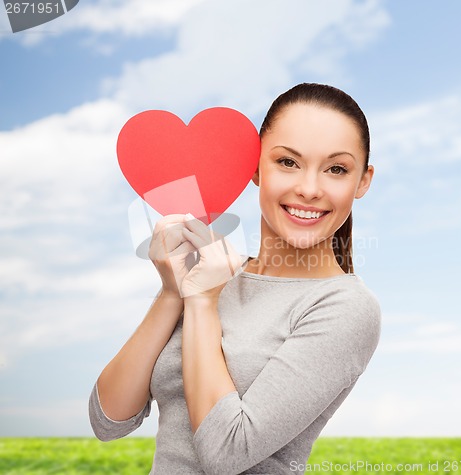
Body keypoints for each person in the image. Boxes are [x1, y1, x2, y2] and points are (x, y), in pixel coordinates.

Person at [89, 83, 381, 475]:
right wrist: (173, 292)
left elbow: (227, 453)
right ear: (255, 168)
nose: (309, 189)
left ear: (362, 181)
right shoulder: (213, 273)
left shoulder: (345, 307)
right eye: (288, 162)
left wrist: (202, 303)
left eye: (336, 169)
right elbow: (108, 421)